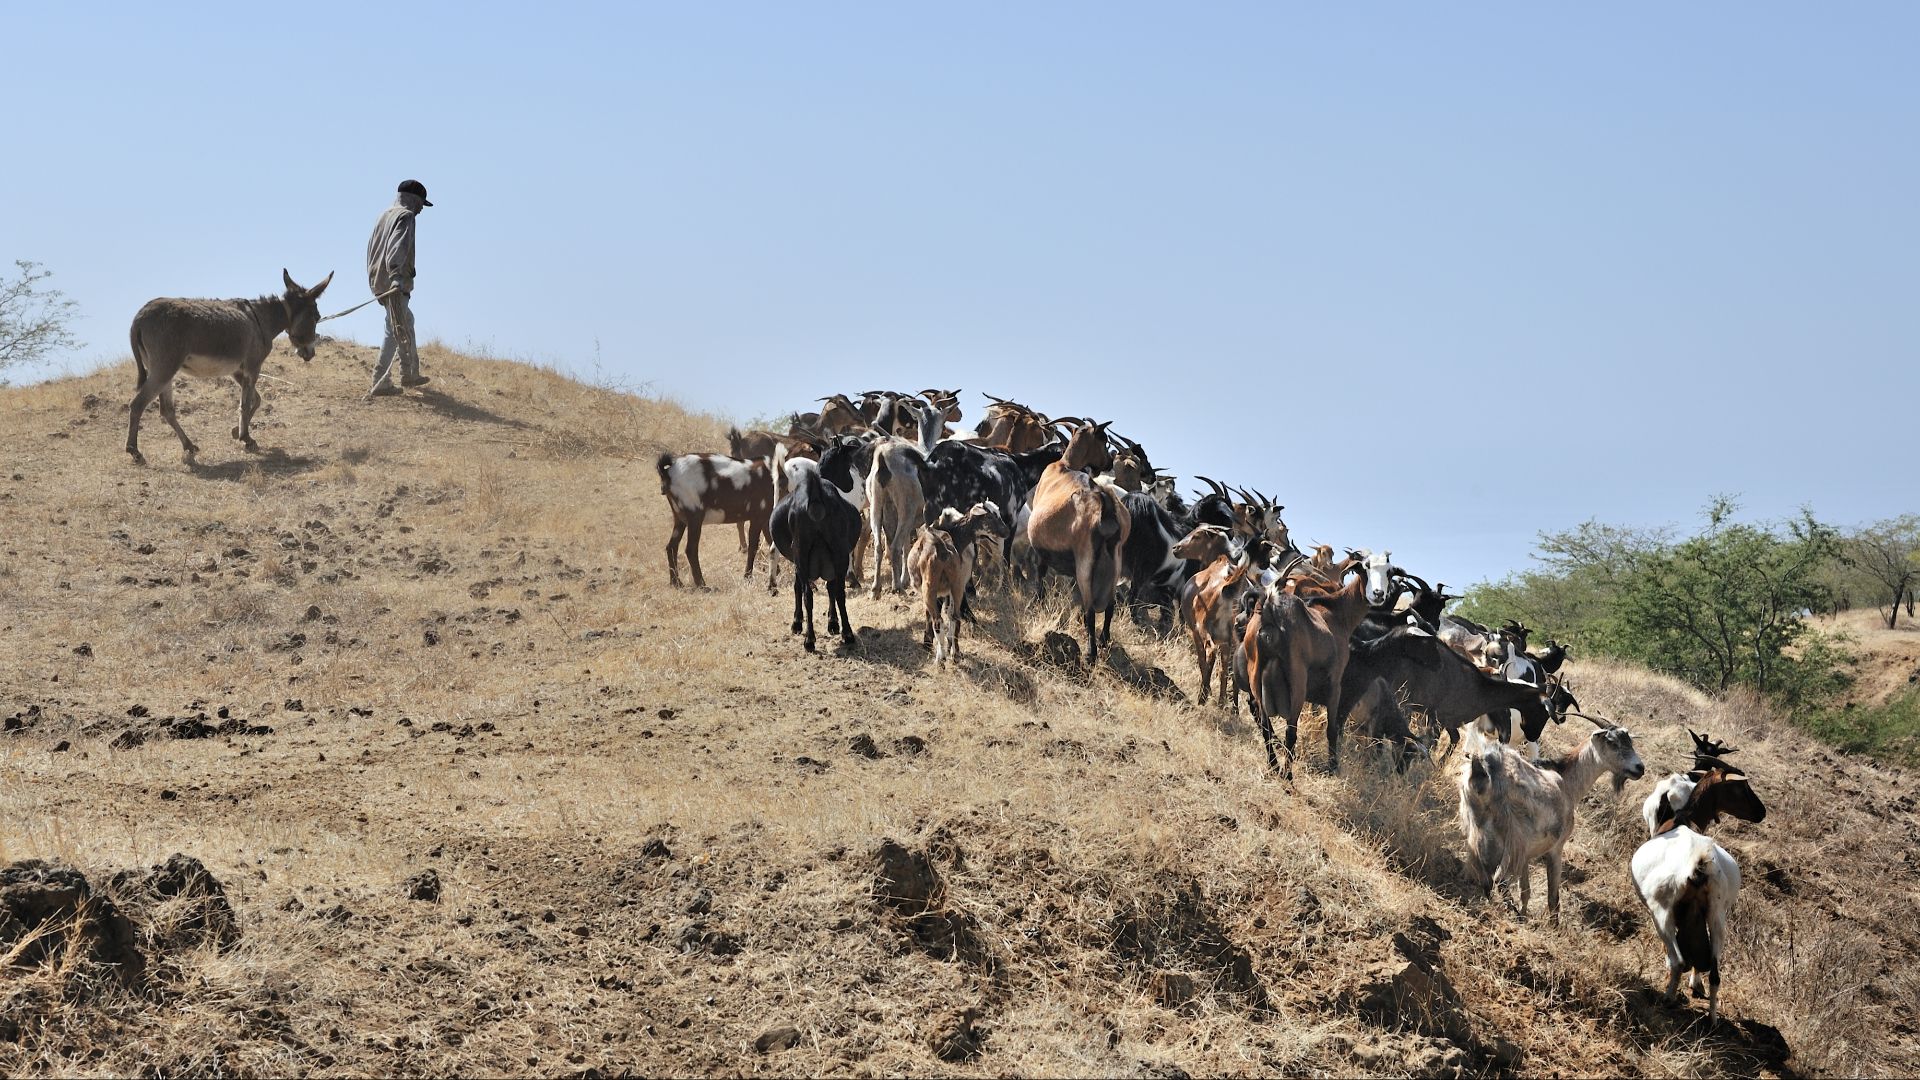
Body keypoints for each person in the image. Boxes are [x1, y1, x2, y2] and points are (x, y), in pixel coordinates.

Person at [365, 179, 432, 397]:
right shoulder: (406, 216)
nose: (422, 209)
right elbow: (397, 246)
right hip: (395, 283)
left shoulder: (384, 214)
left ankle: (409, 373)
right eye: (422, 203)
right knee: (394, 330)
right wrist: (396, 277)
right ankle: (380, 381)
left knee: (406, 322)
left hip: (379, 281)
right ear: (414, 199)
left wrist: (379, 279)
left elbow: (372, 249)